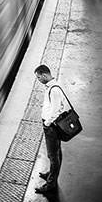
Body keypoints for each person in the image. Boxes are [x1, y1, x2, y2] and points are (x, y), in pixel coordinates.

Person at [34, 65, 71, 194]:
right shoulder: (53, 86)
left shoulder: (54, 90)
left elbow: (56, 110)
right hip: (52, 126)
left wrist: (48, 123)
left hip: (51, 127)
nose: (38, 79)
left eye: (38, 77)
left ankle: (51, 184)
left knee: (53, 156)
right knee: (56, 152)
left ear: (44, 75)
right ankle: (51, 174)